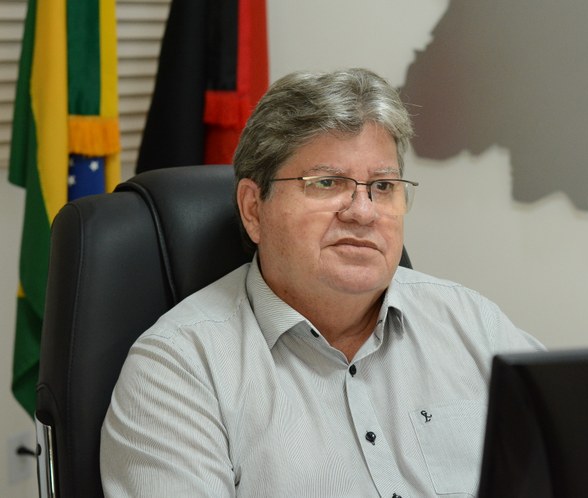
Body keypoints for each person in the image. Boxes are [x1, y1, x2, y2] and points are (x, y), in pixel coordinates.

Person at [100, 67, 543, 497]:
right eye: (328, 182)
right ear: (253, 209)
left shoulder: (473, 324)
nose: (363, 212)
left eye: (383, 186)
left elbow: (571, 460)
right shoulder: (178, 370)